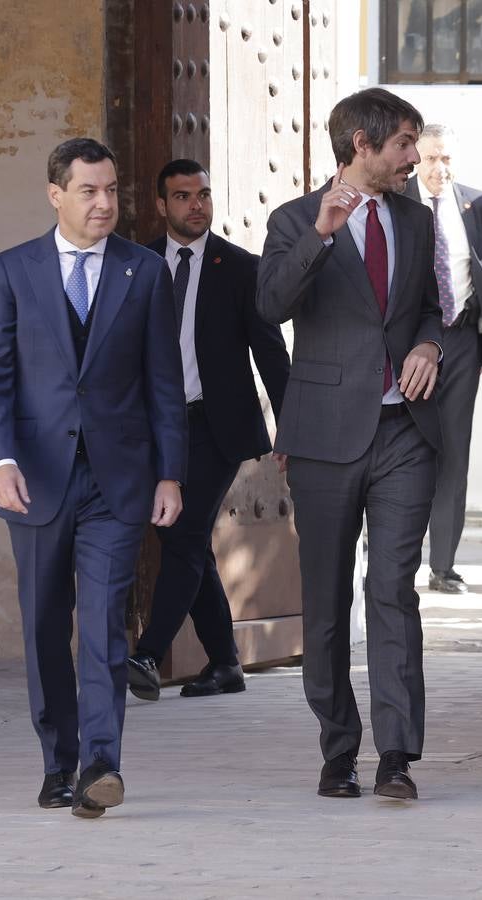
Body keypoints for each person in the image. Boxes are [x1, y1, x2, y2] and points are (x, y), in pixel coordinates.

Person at [0, 137, 187, 817]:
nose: (104, 204)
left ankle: (101, 762)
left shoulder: (144, 272)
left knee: (102, 624)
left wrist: (170, 474)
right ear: (55, 194)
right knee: (43, 626)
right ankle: (56, 761)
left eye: (113, 190)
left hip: (117, 484)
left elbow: (164, 383)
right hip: (34, 479)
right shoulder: (12, 270)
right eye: (89, 191)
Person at [257, 88, 445, 802]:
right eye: (402, 144)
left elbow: (433, 306)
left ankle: (396, 754)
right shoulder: (293, 220)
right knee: (328, 597)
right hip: (324, 439)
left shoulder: (418, 220)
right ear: (361, 146)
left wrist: (429, 342)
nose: (411, 158)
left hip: (404, 433)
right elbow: (270, 305)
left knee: (392, 589)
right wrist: (322, 235)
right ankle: (339, 749)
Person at [126, 159, 291, 701]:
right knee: (182, 541)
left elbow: (269, 348)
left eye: (203, 195)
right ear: (161, 205)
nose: (196, 205)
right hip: (152, 427)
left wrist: (291, 425)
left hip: (214, 425)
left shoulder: (239, 266)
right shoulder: (136, 262)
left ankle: (148, 652)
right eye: (182, 197)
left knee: (187, 533)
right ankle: (225, 663)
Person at [401, 124, 482, 596]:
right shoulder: (399, 202)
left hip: (460, 342)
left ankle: (444, 564)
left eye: (448, 159)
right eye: (433, 159)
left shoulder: (476, 203)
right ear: (416, 159)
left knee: (454, 452)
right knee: (407, 448)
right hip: (412, 345)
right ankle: (397, 557)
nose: (441, 169)